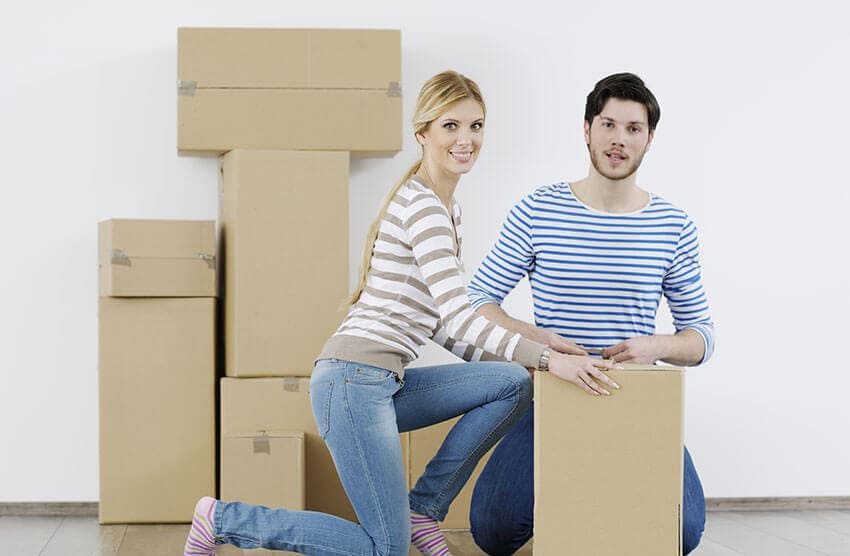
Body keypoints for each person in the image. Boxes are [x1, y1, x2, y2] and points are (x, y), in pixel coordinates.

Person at [184, 71, 616, 556]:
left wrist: (537, 346)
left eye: (476, 126)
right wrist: (545, 357)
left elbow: (439, 325)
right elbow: (459, 316)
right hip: (352, 383)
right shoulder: (424, 207)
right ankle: (222, 519)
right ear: (423, 134)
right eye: (450, 126)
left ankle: (424, 509)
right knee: (384, 549)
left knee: (510, 383)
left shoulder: (448, 211)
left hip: (382, 382)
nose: (466, 139)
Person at [467, 72, 715, 556]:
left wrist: (656, 346)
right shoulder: (537, 210)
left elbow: (701, 338)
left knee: (682, 534)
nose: (619, 139)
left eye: (634, 128)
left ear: (649, 139)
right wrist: (537, 342)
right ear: (587, 129)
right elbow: (479, 303)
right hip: (552, 395)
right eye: (608, 124)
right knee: (493, 531)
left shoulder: (673, 225)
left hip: (635, 399)